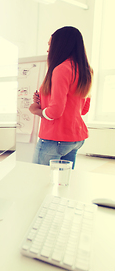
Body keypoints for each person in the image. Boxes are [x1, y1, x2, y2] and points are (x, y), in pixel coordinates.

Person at [29, 26, 92, 168]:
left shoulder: (61, 69)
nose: (48, 50)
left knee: (38, 179)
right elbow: (83, 109)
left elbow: (56, 111)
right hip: (75, 138)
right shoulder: (86, 71)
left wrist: (36, 110)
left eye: (50, 45)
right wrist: (44, 100)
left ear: (60, 46)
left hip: (54, 139)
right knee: (62, 182)